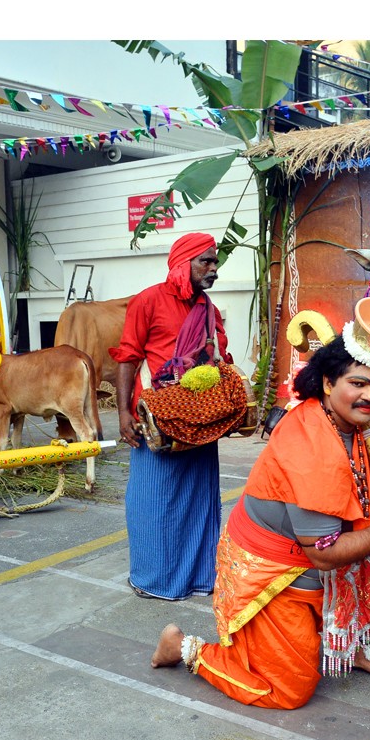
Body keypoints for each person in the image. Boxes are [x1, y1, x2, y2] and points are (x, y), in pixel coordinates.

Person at [150, 328, 370, 708]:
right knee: (288, 691)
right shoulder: (313, 450)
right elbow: (324, 555)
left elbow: (365, 447)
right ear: (327, 383)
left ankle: (346, 643)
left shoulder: (343, 418)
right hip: (277, 572)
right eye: (357, 383)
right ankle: (184, 648)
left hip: (311, 555)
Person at [111, 232, 233, 601]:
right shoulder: (148, 301)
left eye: (215, 262)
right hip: (157, 420)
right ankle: (153, 578)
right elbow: (128, 358)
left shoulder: (208, 309)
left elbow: (219, 357)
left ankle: (197, 577)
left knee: (199, 498)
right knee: (154, 499)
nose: (213, 269)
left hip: (199, 418)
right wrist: (122, 413)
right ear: (183, 263)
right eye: (205, 262)